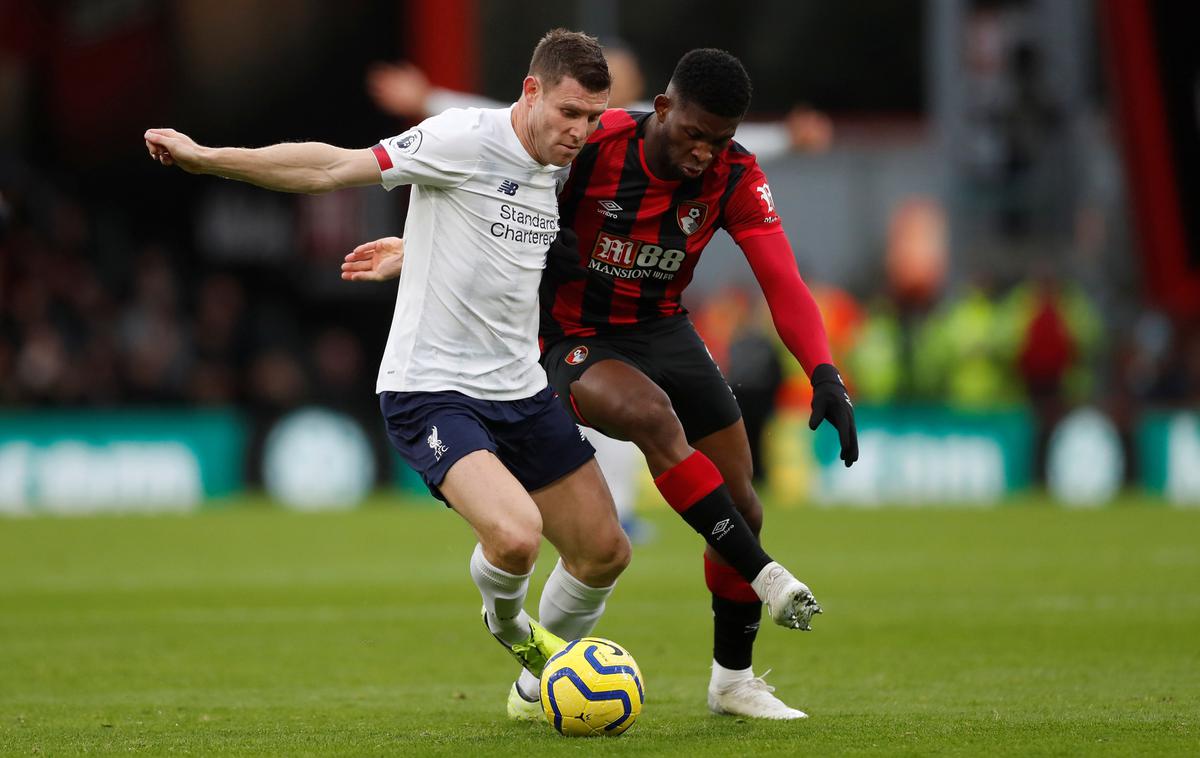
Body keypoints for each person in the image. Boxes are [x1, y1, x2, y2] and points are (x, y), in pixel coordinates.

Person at [344, 48, 858, 720]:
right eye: (693, 135)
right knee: (650, 418)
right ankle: (766, 575)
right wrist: (418, 250)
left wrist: (823, 370)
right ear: (664, 110)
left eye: (719, 139)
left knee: (741, 502)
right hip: (572, 336)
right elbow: (492, 183)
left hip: (663, 327)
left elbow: (782, 280)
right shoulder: (596, 142)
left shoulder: (735, 173)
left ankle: (732, 684)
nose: (704, 152)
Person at [145, 29, 633, 721]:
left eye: (591, 118)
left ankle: (538, 690)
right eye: (569, 114)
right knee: (517, 536)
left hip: (518, 386)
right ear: (530, 92)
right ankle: (514, 632)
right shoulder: (463, 138)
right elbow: (328, 169)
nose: (580, 131)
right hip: (430, 388)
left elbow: (502, 236)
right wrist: (209, 157)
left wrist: (420, 245)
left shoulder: (557, 164)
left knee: (606, 552)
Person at [367, 43, 834, 161]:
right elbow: (489, 114)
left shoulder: (649, 130)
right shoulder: (555, 124)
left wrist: (787, 140)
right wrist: (428, 98)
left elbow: (719, 140)